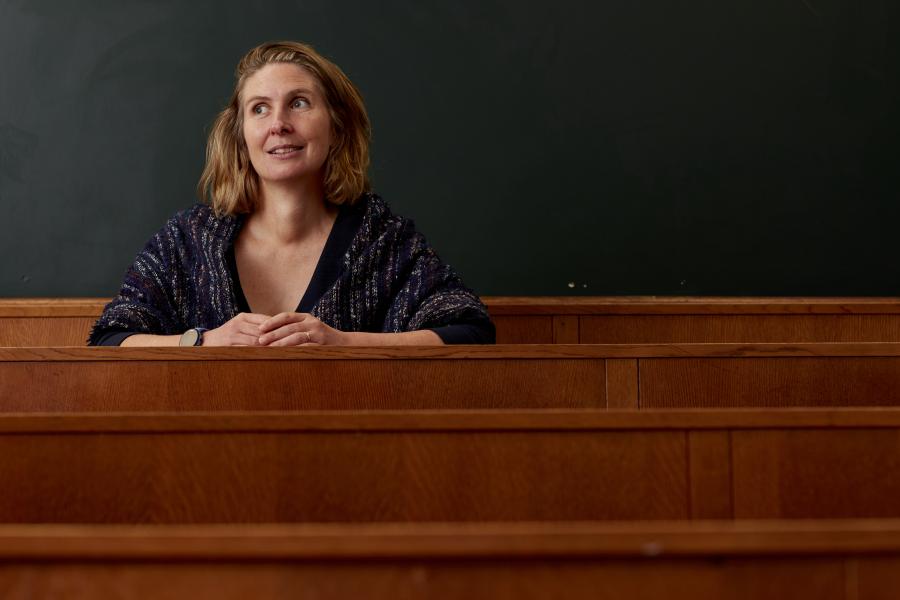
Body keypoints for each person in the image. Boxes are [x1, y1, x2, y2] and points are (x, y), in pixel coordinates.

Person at [89, 41, 494, 347]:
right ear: (241, 134)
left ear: (336, 127)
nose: (278, 124)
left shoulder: (383, 240)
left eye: (298, 103)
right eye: (259, 108)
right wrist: (202, 341)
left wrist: (344, 342)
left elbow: (470, 331)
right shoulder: (188, 241)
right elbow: (111, 338)